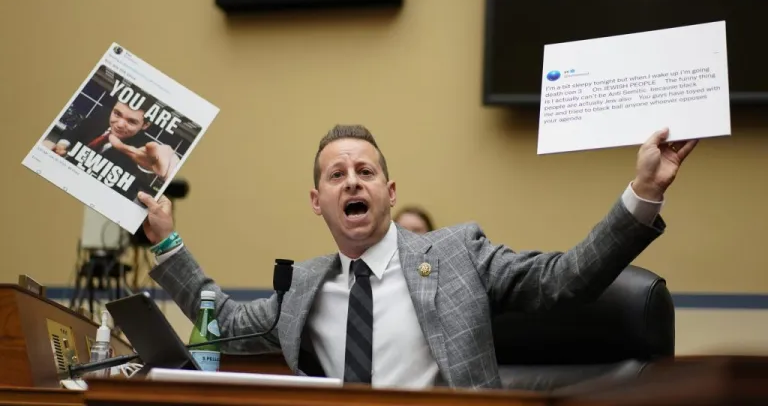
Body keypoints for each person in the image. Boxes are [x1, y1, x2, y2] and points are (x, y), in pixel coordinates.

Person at [140, 124, 697, 390]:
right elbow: (228, 323)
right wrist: (166, 241)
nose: (352, 181)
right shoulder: (304, 287)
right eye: (337, 175)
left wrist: (644, 191)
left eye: (366, 172)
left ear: (389, 191)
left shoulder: (457, 253)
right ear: (318, 202)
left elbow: (566, 280)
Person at [43, 99, 181, 203]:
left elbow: (147, 164)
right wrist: (61, 145)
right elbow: (77, 131)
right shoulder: (102, 114)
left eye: (132, 121)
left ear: (145, 125)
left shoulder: (142, 149)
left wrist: (168, 170)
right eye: (117, 113)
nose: (120, 124)